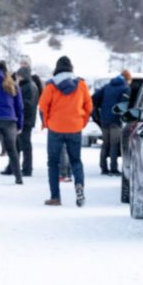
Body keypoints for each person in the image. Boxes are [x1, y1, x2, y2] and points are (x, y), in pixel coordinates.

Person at [38, 56, 93, 207]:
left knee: (53, 163)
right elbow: (89, 107)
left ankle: (55, 197)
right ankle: (79, 186)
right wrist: (82, 122)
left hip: (56, 128)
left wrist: (46, 123)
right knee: (76, 161)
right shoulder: (81, 84)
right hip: (75, 127)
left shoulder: (51, 85)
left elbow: (42, 107)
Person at [0, 61, 24, 185]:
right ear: (6, 71)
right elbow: (19, 106)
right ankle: (18, 177)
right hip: (10, 120)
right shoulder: (12, 85)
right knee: (12, 150)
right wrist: (20, 124)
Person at [1, 62, 39, 177]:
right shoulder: (25, 85)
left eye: (18, 76)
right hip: (21, 119)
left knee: (24, 145)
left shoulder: (29, 87)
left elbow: (28, 104)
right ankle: (12, 167)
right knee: (16, 144)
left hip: (26, 121)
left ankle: (27, 169)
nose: (16, 78)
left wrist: (15, 103)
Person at [92, 70, 132, 176]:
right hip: (116, 120)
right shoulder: (125, 88)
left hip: (104, 119)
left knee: (105, 144)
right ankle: (113, 169)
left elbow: (94, 98)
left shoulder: (107, 86)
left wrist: (100, 110)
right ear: (127, 79)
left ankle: (103, 168)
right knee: (114, 144)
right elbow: (124, 104)